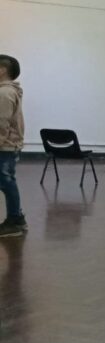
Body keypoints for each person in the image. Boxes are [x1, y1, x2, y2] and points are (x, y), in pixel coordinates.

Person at [0, 54, 25, 238]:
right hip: (7, 145)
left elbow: (2, 123)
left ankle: (14, 221)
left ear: (2, 70)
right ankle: (18, 219)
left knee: (6, 183)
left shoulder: (4, 93)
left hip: (4, 146)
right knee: (7, 182)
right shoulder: (7, 91)